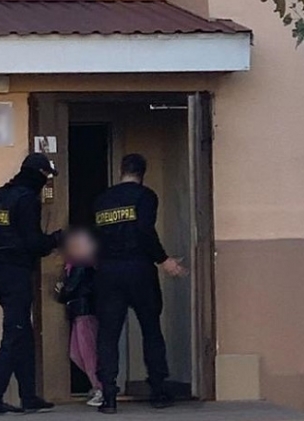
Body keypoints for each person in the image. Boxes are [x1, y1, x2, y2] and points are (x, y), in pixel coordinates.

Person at [93, 154, 186, 414]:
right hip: (139, 269)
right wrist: (164, 259)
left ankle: (108, 396)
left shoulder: (102, 200)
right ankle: (158, 391)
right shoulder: (145, 197)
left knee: (108, 334)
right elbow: (145, 230)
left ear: (121, 171)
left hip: (108, 271)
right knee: (151, 329)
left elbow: (95, 237)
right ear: (142, 173)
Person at [0, 153, 62, 416]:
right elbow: (33, 243)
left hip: (0, 272)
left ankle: (29, 397)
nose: (46, 182)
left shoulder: (0, 195)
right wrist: (57, 239)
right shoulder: (27, 199)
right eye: (46, 176)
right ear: (38, 174)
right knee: (14, 336)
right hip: (16, 274)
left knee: (23, 336)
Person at [57, 259, 103, 407]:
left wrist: (62, 292)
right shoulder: (77, 263)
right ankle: (98, 385)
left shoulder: (81, 262)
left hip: (85, 310)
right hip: (79, 310)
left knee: (88, 353)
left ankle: (100, 387)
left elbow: (70, 288)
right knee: (76, 353)